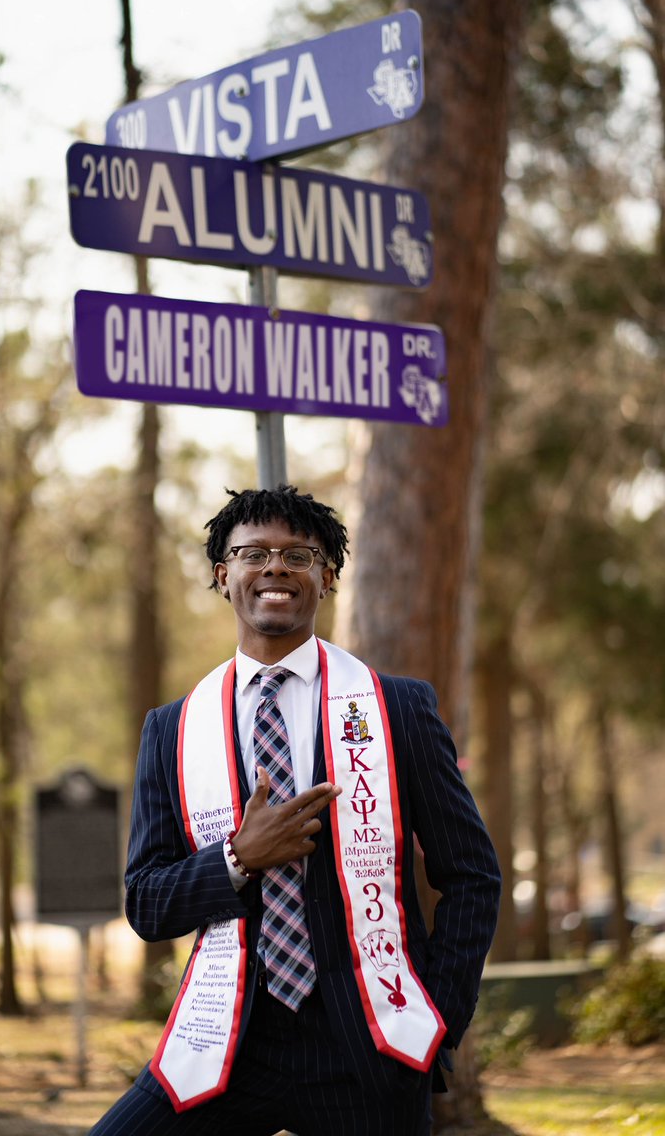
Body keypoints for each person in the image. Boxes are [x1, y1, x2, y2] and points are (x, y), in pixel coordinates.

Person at [91, 485, 500, 1136]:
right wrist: (235, 860)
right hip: (225, 1039)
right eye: (252, 553)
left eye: (298, 555)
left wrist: (437, 1013)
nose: (275, 567)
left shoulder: (394, 710)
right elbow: (146, 903)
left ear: (327, 577)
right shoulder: (173, 729)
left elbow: (472, 875)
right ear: (223, 576)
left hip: (366, 1042)